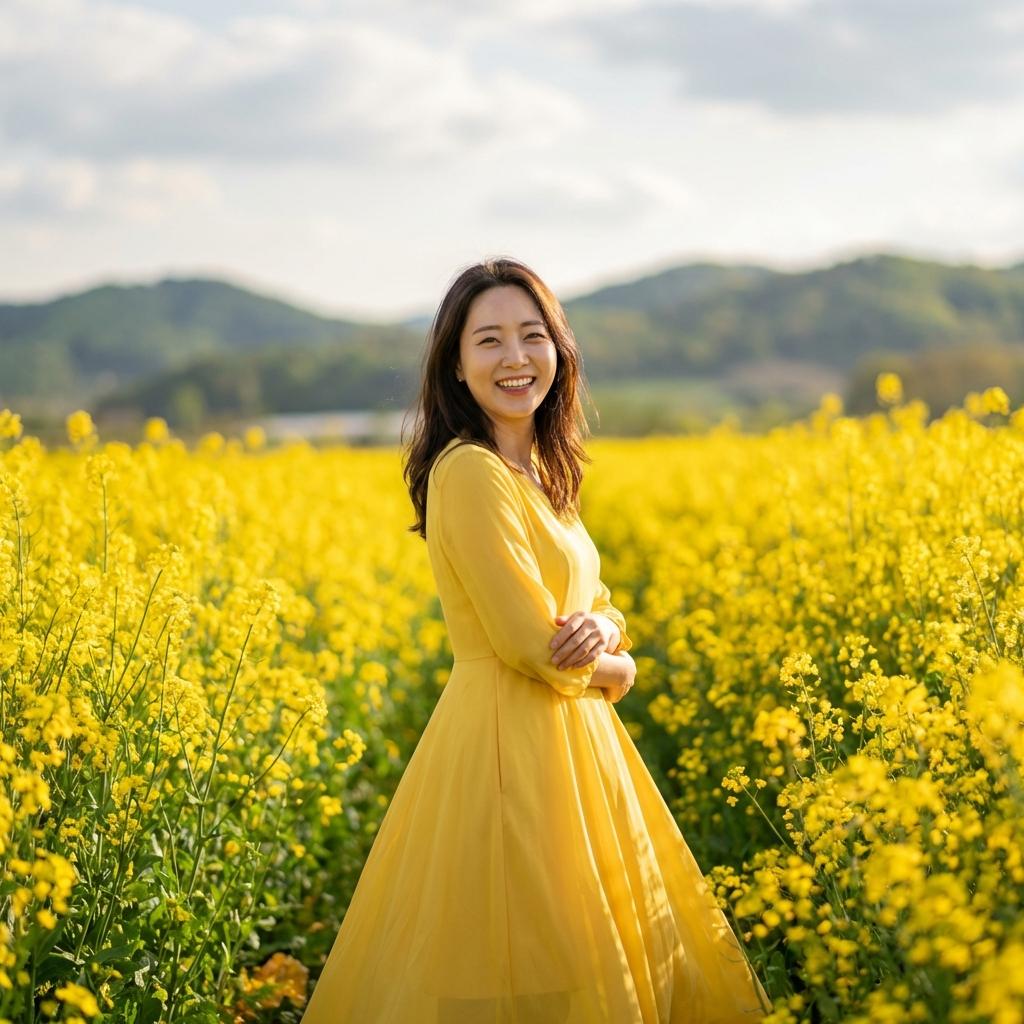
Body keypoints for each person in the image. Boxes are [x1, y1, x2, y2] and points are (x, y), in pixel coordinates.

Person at [300, 257, 772, 1023]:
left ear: (559, 349)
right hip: (507, 747)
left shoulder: (542, 473)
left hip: (572, 744)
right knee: (525, 965)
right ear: (455, 365)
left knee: (581, 960)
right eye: (488, 341)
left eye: (532, 335)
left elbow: (595, 601)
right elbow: (530, 645)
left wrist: (607, 628)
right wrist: (618, 668)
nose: (515, 358)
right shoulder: (471, 472)